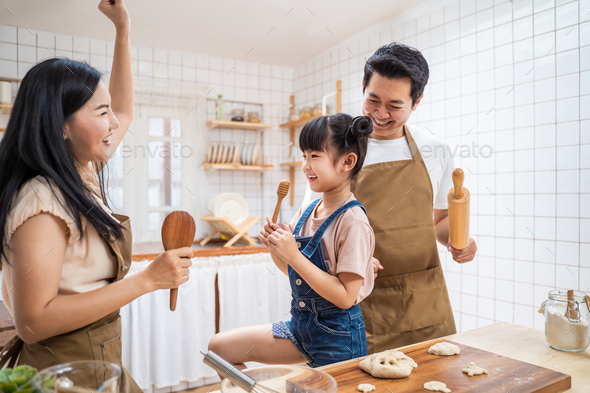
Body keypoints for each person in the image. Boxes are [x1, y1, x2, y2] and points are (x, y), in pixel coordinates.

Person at [0, 1, 193, 391]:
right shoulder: (42, 201)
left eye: (109, 112)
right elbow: (33, 322)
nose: (115, 122)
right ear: (61, 126)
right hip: (62, 373)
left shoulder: (80, 172)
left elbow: (123, 107)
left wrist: (123, 30)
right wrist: (147, 280)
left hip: (98, 363)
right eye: (100, 112)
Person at [304, 43, 478, 353]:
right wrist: (347, 258)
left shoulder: (434, 149)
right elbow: (312, 229)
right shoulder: (336, 149)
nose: (381, 114)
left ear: (417, 101)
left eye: (395, 105)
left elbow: (439, 220)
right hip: (357, 304)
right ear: (363, 88)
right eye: (373, 100)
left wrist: (459, 240)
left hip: (424, 303)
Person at [208, 114, 375, 368]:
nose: (306, 165)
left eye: (314, 156)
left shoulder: (353, 221)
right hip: (300, 330)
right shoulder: (308, 210)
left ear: (347, 161)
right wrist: (275, 247)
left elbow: (345, 297)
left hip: (339, 340)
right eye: (304, 156)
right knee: (219, 349)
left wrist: (293, 254)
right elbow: (292, 271)